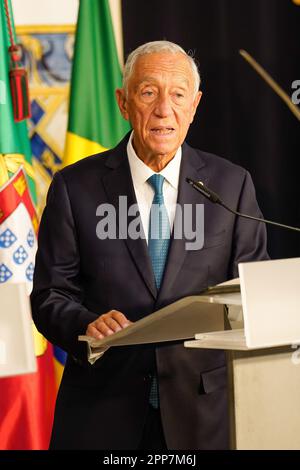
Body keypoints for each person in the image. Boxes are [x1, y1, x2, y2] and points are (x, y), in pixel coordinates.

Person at [31, 40, 268, 450]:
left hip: (204, 412)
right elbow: (50, 295)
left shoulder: (231, 185)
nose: (164, 110)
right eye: (148, 93)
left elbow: (254, 292)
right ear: (124, 103)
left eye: (178, 95)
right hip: (103, 409)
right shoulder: (75, 186)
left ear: (194, 106)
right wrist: (86, 324)